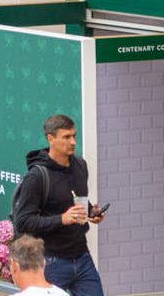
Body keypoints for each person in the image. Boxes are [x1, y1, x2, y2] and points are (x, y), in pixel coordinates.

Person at [12, 114, 103, 296]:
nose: (73, 142)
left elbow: (77, 199)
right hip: (51, 260)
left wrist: (91, 212)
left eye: (74, 136)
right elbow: (23, 221)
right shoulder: (37, 177)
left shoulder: (80, 165)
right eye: (66, 137)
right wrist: (62, 219)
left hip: (82, 256)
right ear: (50, 138)